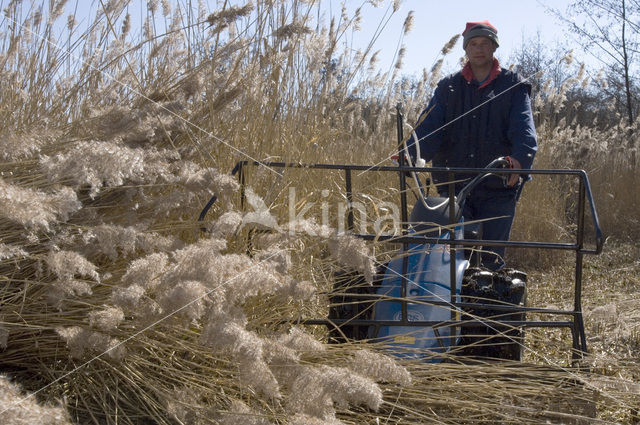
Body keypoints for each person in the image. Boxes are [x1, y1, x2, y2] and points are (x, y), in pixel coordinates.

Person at [406, 20, 538, 270]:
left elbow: (524, 129)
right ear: (465, 49)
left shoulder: (514, 85)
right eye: (473, 44)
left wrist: (519, 160)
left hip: (498, 184)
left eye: (485, 43)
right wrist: (409, 153)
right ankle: (451, 305)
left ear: (494, 47)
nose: (479, 49)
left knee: (491, 258)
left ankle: (489, 305)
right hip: (453, 184)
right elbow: (430, 127)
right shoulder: (448, 87)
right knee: (451, 257)